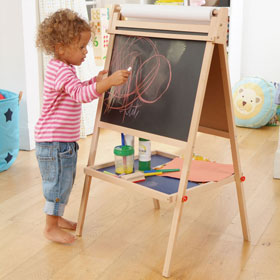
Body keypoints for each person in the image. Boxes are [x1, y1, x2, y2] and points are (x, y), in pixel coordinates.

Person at [35, 9, 130, 244]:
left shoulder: (65, 69)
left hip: (61, 142)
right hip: (53, 143)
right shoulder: (60, 70)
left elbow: (76, 87)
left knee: (64, 182)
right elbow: (78, 94)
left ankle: (56, 219)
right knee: (57, 184)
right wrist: (107, 83)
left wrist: (95, 81)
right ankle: (50, 228)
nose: (85, 52)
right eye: (81, 47)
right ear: (60, 48)